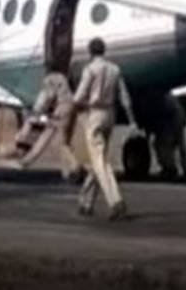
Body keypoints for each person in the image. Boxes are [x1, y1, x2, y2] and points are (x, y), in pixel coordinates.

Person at [73, 37, 138, 220]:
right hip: (111, 114)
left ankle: (115, 201)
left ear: (90, 52)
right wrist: (132, 120)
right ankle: (85, 201)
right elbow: (124, 97)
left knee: (100, 161)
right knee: (98, 158)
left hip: (94, 114)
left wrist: (76, 107)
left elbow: (79, 97)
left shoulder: (90, 70)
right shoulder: (115, 69)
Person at [19, 70, 81, 182]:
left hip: (61, 109)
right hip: (72, 108)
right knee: (65, 140)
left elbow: (47, 98)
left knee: (54, 139)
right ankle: (66, 173)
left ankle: (75, 166)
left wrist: (37, 113)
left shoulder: (49, 79)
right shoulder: (63, 77)